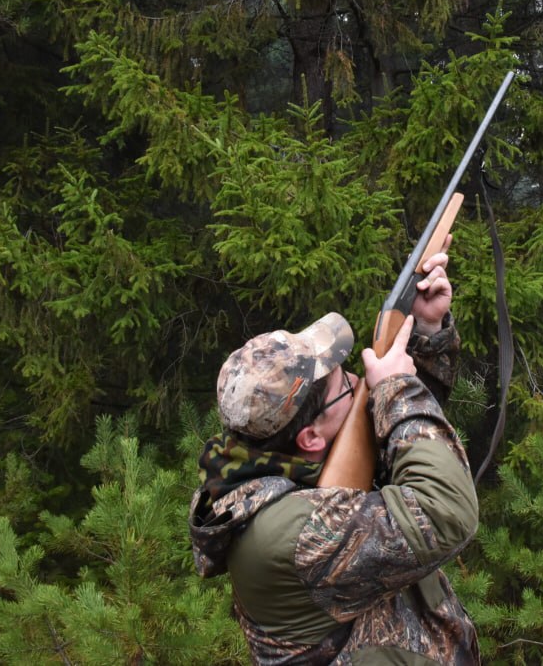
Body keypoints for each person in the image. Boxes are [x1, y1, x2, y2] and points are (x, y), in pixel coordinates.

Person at [189, 250, 480, 664]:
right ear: (310, 437)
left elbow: (411, 446)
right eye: (346, 383)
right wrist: (395, 386)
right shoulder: (291, 532)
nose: (361, 380)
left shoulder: (273, 469)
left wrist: (423, 333)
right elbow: (446, 509)